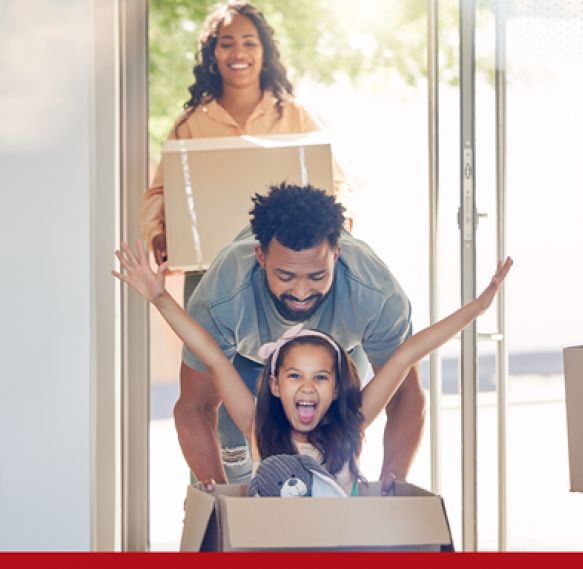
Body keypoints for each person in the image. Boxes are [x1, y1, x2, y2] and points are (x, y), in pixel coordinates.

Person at [112, 241, 512, 494]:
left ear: (337, 388)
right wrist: (160, 298)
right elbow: (214, 356)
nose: (307, 388)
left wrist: (476, 309)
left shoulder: (351, 423)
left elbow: (408, 353)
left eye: (321, 377)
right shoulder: (257, 426)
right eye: (294, 376)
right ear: (273, 385)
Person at [161, 183, 437, 491]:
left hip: (340, 353)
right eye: (286, 276)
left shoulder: (375, 294)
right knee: (236, 459)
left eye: (317, 276)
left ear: (337, 254)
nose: (302, 293)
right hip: (246, 358)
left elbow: (405, 395)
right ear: (261, 258)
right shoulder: (223, 297)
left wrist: (391, 483)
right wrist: (217, 498)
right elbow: (194, 406)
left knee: (334, 462)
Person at [140, 0, 354, 282]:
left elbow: (336, 184)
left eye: (249, 43)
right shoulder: (190, 123)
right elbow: (159, 193)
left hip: (284, 271)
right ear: (213, 53)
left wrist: (336, 229)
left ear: (264, 52)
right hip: (210, 272)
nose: (238, 52)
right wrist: (158, 234)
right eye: (227, 43)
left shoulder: (294, 115)